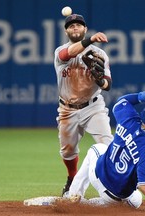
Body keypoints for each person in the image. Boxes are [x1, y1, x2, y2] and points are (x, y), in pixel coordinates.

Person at [66, 90, 145, 213]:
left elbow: (122, 101)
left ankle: (74, 195)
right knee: (136, 200)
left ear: (144, 113)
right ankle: (98, 204)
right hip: (115, 197)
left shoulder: (129, 118)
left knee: (96, 149)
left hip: (98, 175)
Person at [54, 14, 113, 196]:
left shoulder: (99, 54)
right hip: (67, 109)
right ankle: (72, 177)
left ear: (84, 29)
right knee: (68, 151)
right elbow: (68, 53)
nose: (75, 28)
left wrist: (100, 80)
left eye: (79, 25)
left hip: (93, 107)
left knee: (108, 146)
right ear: (66, 31)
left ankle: (114, 184)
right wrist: (91, 40)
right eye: (71, 26)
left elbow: (108, 84)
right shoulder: (60, 52)